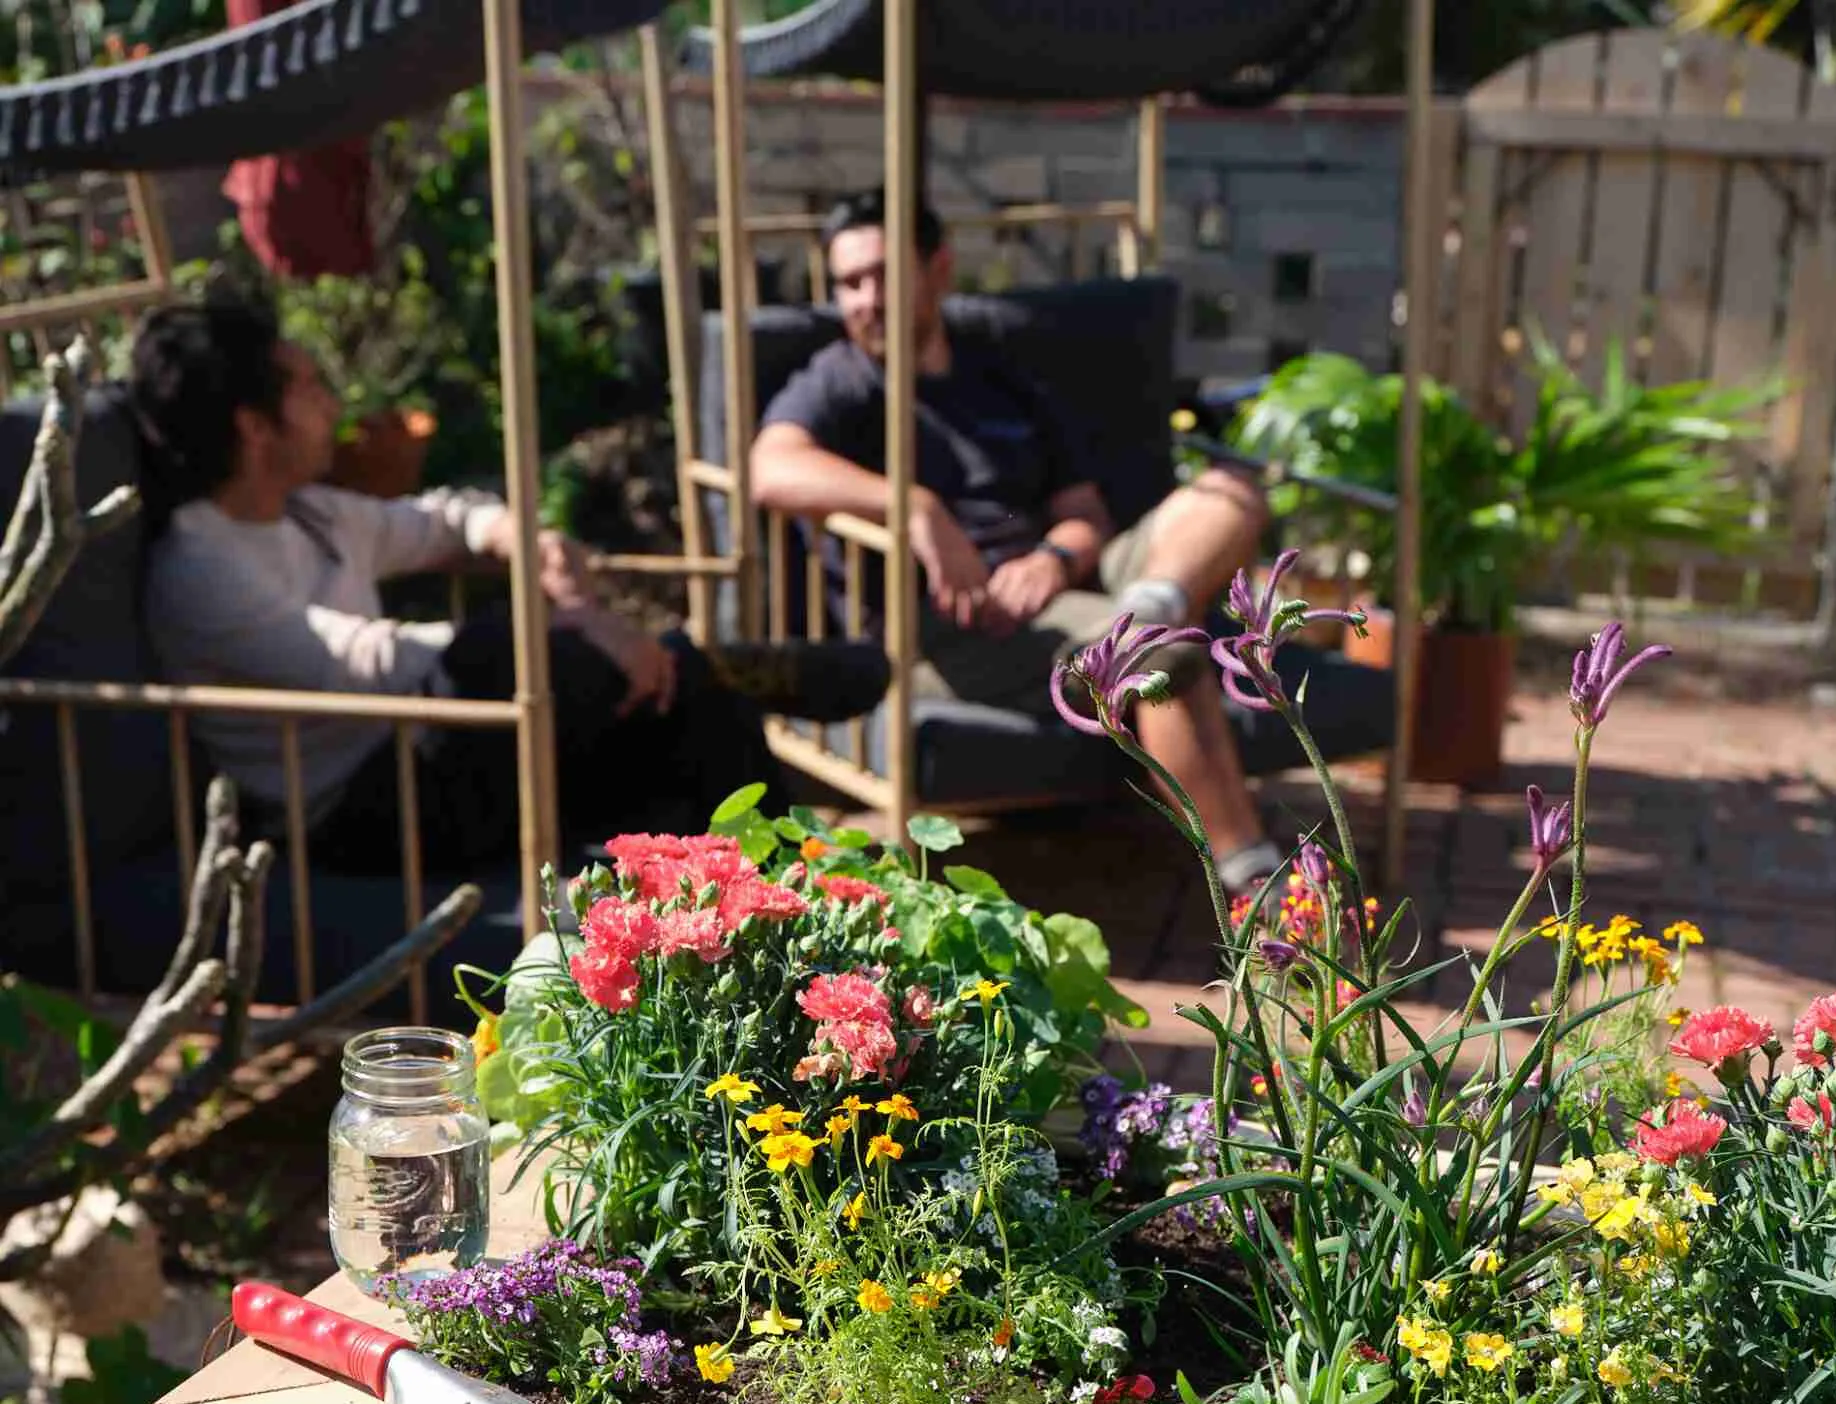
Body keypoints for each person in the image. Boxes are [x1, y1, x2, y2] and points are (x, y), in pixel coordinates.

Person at [749, 188, 1284, 894]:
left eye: (884, 275)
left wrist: (1052, 559)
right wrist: (915, 506)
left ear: (937, 270)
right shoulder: (840, 381)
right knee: (1162, 657)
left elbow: (1084, 514)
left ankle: (1153, 604)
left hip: (1062, 586)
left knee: (1230, 492)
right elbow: (769, 466)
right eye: (850, 282)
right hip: (951, 627)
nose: (866, 299)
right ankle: (1253, 878)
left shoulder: (996, 374)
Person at [130, 293, 779, 875]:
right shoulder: (199, 564)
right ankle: (712, 667)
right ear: (253, 424)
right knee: (500, 658)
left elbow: (443, 517)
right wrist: (574, 628)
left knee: (683, 704)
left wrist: (524, 542)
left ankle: (782, 889)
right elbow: (365, 660)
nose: (332, 404)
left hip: (427, 762)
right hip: (347, 811)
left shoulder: (311, 514)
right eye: (308, 388)